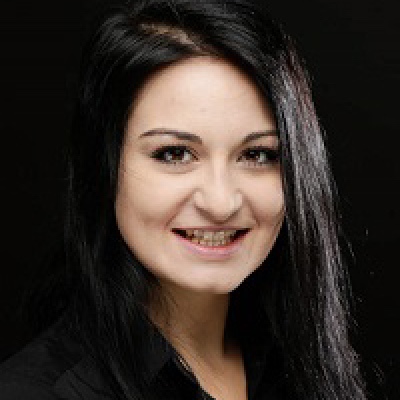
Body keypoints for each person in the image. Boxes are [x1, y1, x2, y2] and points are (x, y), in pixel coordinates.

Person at [0, 0, 367, 399]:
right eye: (174, 154)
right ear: (103, 167)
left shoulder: (296, 362)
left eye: (258, 154)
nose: (221, 203)